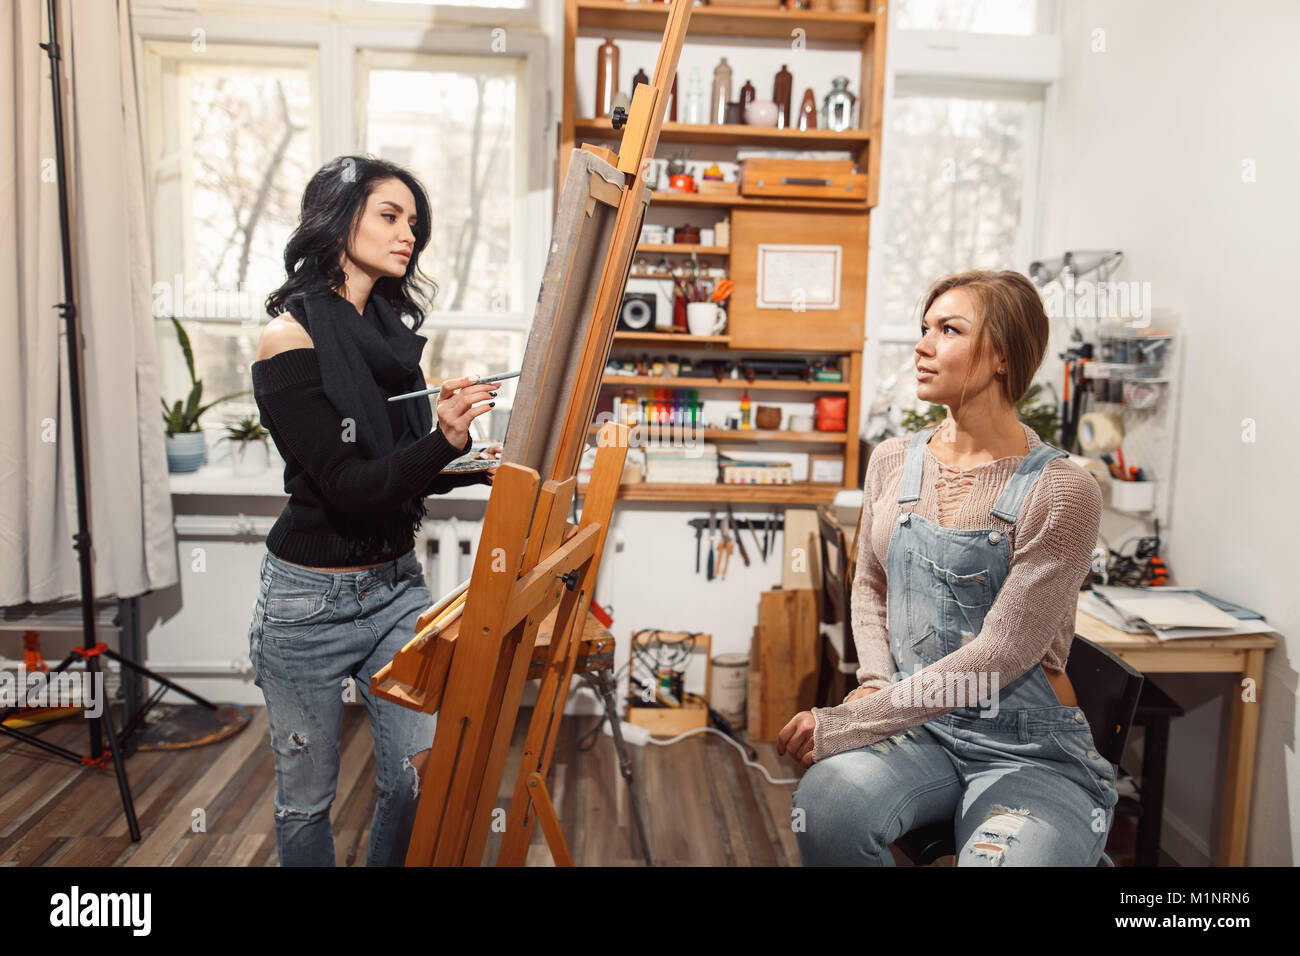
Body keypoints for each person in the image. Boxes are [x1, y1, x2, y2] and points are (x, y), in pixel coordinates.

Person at [781, 269, 1115, 866]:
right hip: (921, 732)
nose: (922, 344)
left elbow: (999, 657)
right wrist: (878, 683)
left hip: (1025, 749)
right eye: (924, 328)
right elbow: (870, 586)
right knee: (825, 807)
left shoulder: (1062, 491)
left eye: (949, 329)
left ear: (1002, 357)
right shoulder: (891, 460)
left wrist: (853, 723)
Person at [247, 154, 502, 866]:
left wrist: (478, 460)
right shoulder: (288, 338)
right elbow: (349, 483)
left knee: (417, 775)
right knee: (306, 802)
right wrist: (443, 441)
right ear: (336, 219)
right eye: (390, 216)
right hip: (306, 603)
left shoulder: (390, 335)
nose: (407, 236)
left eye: (413, 223)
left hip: (394, 586)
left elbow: (400, 471)